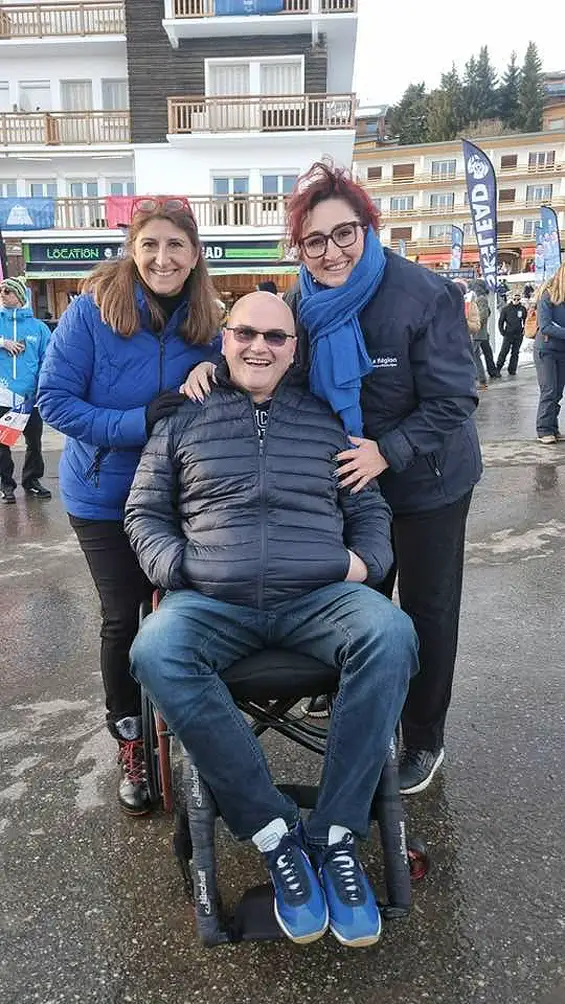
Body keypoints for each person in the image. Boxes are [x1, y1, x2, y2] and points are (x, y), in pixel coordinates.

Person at [125, 291, 418, 948]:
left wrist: (359, 564)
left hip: (317, 598)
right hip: (212, 602)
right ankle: (273, 833)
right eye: (246, 334)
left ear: (293, 350)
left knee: (390, 634)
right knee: (155, 649)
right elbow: (143, 514)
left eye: (275, 338)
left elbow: (370, 515)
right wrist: (184, 569)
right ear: (224, 340)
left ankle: (336, 835)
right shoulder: (181, 422)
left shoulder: (323, 422)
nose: (259, 347)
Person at [182, 162, 482, 797]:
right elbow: (267, 347)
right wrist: (214, 368)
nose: (331, 251)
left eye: (344, 234)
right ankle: (353, 683)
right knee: (358, 592)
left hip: (425, 481)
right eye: (314, 241)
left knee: (427, 610)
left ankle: (423, 735)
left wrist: (388, 450)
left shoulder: (423, 295)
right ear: (300, 248)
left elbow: (455, 399)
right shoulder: (300, 302)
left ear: (368, 228)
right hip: (342, 481)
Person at [36, 200, 222, 815]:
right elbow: (54, 401)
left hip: (178, 496)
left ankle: (207, 728)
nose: (162, 259)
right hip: (103, 495)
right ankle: (131, 740)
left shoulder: (209, 321)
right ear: (132, 248)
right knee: (123, 616)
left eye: (175, 246)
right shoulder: (92, 312)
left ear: (195, 254)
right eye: (150, 245)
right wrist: (135, 421)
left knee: (195, 607)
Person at [0, 276, 52, 504]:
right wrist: (3, 342)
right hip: (2, 395)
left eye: (7, 291)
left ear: (20, 297)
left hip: (30, 398)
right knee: (2, 444)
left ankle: (31, 481)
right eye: (1, 290)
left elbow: (49, 359)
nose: (2, 294)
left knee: (34, 443)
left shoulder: (38, 328)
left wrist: (40, 386)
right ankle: (6, 485)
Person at [534, 262, 565, 445]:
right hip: (546, 350)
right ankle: (544, 429)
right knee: (549, 389)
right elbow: (545, 326)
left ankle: (552, 427)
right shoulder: (547, 296)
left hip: (562, 350)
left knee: (558, 391)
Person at [469, 279, 500, 384]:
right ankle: (483, 375)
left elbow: (484, 315)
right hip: (480, 332)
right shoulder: (480, 299)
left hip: (478, 332)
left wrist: (476, 323)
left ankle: (480, 376)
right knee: (479, 354)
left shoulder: (481, 299)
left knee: (474, 354)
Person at [497, 291, 526, 376]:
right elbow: (501, 322)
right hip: (508, 334)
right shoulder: (506, 309)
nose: (516, 300)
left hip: (518, 334)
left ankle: (512, 369)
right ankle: (498, 368)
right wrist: (502, 332)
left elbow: (525, 320)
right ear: (511, 299)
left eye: (518, 299)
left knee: (515, 352)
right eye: (514, 299)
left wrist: (524, 329)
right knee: (504, 351)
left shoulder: (522, 309)